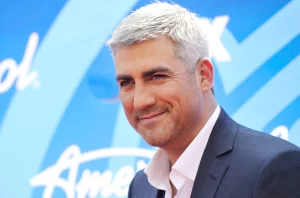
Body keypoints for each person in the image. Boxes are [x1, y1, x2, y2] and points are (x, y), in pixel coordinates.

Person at [106, 2, 300, 198]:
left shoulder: (273, 169)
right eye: (126, 82)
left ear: (203, 76)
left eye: (157, 77)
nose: (140, 101)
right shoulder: (140, 186)